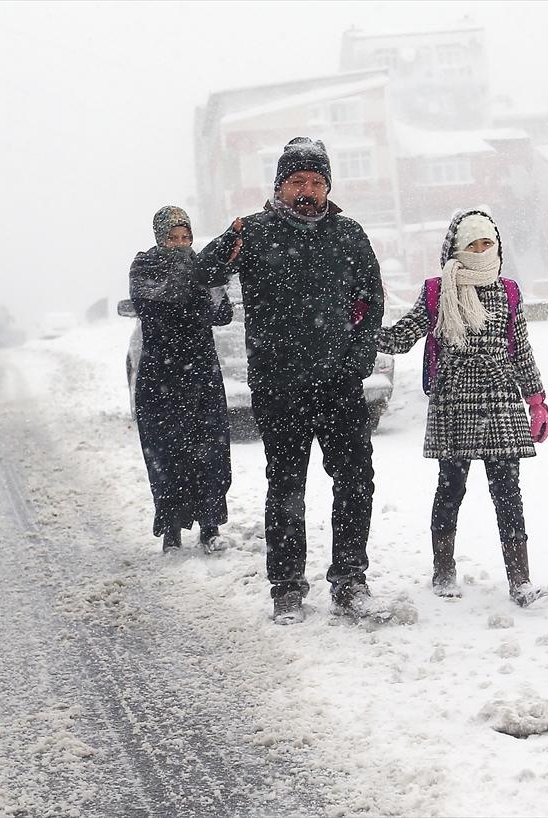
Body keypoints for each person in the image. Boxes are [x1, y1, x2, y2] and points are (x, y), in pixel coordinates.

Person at [196, 137, 384, 625]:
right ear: (279, 187)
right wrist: (223, 244)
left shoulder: (349, 234)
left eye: (317, 183)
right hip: (279, 387)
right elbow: (204, 274)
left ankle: (349, 580)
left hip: (339, 384)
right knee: (285, 486)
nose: (308, 191)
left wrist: (359, 361)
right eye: (298, 182)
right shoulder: (254, 233)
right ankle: (286, 587)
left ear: (328, 188)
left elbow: (372, 301)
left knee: (355, 482)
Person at [378, 209, 548, 608]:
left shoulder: (509, 291)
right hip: (455, 401)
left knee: (508, 493)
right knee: (451, 488)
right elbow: (403, 337)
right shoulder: (439, 291)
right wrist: (363, 329)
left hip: (503, 401)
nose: (479, 250)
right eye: (471, 244)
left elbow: (520, 349)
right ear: (455, 249)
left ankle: (520, 581)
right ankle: (443, 570)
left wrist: (536, 399)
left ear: (496, 246)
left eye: (486, 242)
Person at [129, 205, 234, 554]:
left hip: (201, 372)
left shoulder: (202, 267)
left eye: (186, 237)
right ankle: (171, 527)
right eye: (172, 238)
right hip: (161, 375)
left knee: (209, 451)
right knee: (166, 451)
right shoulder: (143, 267)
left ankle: (210, 525)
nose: (180, 244)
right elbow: (155, 306)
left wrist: (215, 275)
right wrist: (201, 273)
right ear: (159, 239)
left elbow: (220, 313)